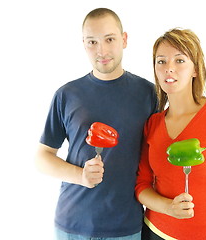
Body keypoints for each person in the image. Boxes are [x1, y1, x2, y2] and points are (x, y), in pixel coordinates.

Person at [35, 8, 158, 240]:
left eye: (109, 39)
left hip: (126, 226)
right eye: (92, 42)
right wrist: (81, 176)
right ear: (83, 44)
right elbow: (42, 157)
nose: (101, 50)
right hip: (72, 224)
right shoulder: (67, 94)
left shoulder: (148, 94)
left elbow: (156, 157)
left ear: (124, 40)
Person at [135, 28, 206, 240]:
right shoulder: (152, 124)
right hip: (155, 233)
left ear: (195, 70)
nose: (168, 68)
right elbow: (141, 186)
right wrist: (169, 207)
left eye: (179, 61)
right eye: (161, 61)